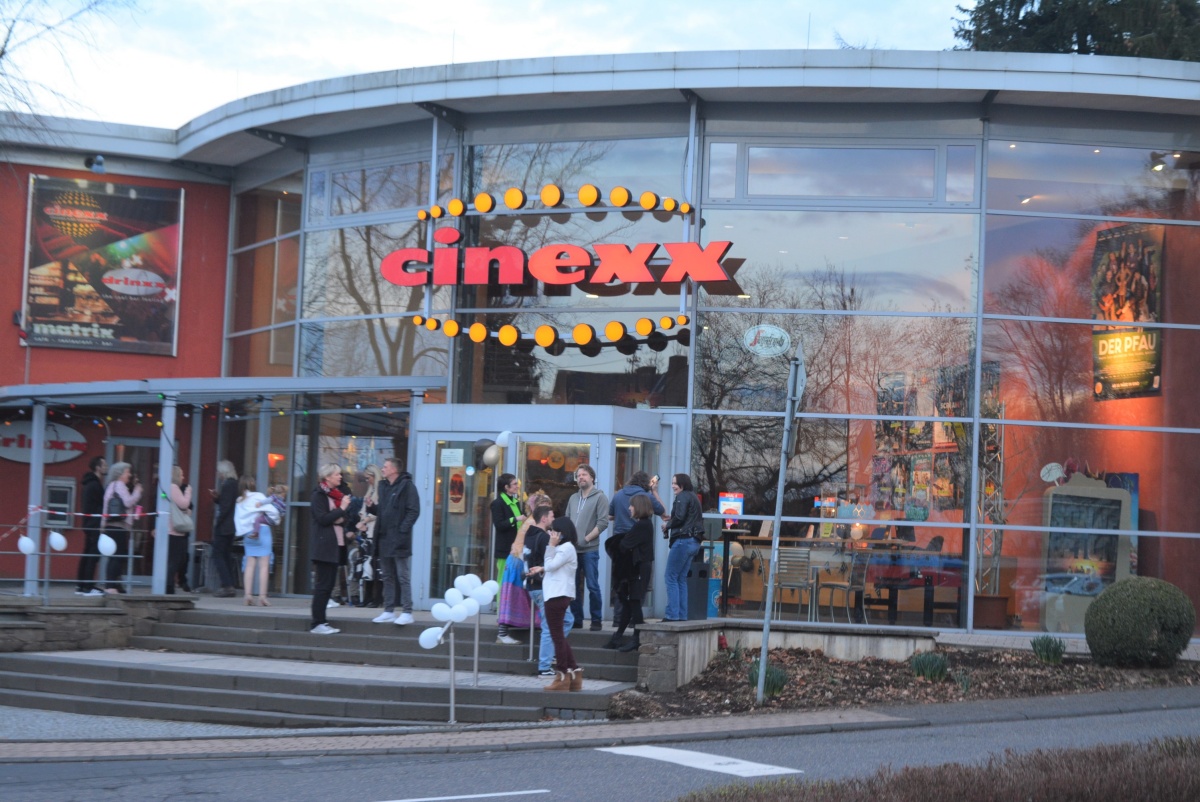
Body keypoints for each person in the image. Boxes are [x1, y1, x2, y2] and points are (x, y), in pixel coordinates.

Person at [526, 516, 581, 692]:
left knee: (557, 637)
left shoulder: (565, 548)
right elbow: (552, 568)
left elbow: (551, 565)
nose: (551, 534)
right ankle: (575, 673)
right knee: (559, 636)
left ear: (562, 533)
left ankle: (563, 675)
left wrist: (550, 546)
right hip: (557, 594)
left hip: (557, 596)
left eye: (554, 531)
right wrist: (541, 568)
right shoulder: (565, 548)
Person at [607, 471, 664, 627]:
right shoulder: (646, 497)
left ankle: (618, 619)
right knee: (639, 585)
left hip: (621, 545)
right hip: (639, 548)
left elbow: (610, 516)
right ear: (646, 483)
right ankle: (634, 619)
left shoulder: (618, 495)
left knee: (621, 582)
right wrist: (654, 491)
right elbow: (664, 513)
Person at [368, 457, 420, 626]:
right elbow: (383, 511)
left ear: (394, 470)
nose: (382, 469)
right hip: (383, 538)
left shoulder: (407, 486)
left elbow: (413, 511)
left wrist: (402, 530)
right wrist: (371, 507)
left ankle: (407, 611)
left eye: (385, 466)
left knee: (402, 576)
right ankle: (388, 610)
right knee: (387, 576)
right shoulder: (383, 487)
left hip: (398, 539)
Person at [495, 490, 546, 645]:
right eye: (545, 506)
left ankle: (533, 625)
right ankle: (502, 633)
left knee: (520, 596)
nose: (549, 511)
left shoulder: (531, 520)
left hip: (518, 560)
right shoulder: (534, 522)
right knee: (514, 597)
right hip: (519, 561)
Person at [607, 493, 655, 652]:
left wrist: (614, 543)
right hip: (639, 567)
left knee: (634, 602)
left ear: (639, 507)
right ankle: (619, 636)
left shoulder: (643, 525)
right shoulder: (644, 524)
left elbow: (625, 544)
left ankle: (636, 638)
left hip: (639, 569)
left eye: (632, 505)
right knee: (629, 603)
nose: (629, 508)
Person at [566, 464, 608, 631]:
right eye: (578, 475)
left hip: (590, 550)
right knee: (574, 586)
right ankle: (577, 619)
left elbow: (603, 522)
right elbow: (568, 520)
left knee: (592, 585)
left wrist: (586, 538)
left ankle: (596, 619)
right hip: (572, 550)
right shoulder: (573, 498)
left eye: (584, 475)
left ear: (592, 477)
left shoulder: (600, 497)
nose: (580, 478)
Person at [310, 464, 351, 634]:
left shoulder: (337, 495)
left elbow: (344, 518)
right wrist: (341, 509)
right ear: (327, 477)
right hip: (324, 546)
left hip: (337, 544)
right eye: (336, 474)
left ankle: (322, 621)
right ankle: (317, 622)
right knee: (323, 585)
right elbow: (323, 519)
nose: (340, 477)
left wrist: (341, 513)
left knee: (328, 585)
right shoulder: (319, 495)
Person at [662, 473, 704, 622]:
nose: (673, 485)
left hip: (683, 540)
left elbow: (679, 518)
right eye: (672, 482)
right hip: (693, 541)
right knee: (680, 579)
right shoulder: (693, 497)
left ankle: (672, 615)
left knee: (670, 577)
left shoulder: (682, 497)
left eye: (675, 483)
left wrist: (667, 525)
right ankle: (681, 615)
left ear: (683, 484)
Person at [491, 474, 526, 644]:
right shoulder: (497, 503)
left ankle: (510, 616)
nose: (517, 486)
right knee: (502, 584)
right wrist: (516, 519)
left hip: (517, 551)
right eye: (514, 484)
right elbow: (499, 524)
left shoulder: (516, 502)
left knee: (513, 585)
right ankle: (501, 617)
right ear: (506, 487)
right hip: (505, 550)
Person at [235, 476, 280, 606]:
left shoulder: (239, 500)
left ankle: (247, 595)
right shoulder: (259, 496)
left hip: (248, 534)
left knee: (249, 564)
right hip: (263, 531)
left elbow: (238, 519)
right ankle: (262, 596)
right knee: (264, 566)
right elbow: (272, 511)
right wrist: (275, 521)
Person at [101, 461, 142, 594]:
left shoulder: (111, 486)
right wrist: (137, 492)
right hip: (119, 526)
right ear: (120, 474)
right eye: (127, 472)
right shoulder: (119, 485)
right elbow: (128, 502)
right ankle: (111, 585)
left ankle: (114, 584)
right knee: (118, 555)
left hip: (111, 525)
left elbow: (105, 507)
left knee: (115, 555)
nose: (129, 475)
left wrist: (102, 525)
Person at [74, 456, 107, 596]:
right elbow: (98, 506)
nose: (107, 467)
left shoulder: (90, 484)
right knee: (92, 556)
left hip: (89, 524)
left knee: (87, 554)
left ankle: (81, 585)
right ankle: (87, 586)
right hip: (94, 524)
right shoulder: (95, 485)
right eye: (104, 465)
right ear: (98, 467)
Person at [210, 460, 239, 597]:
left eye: (219, 471)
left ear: (223, 472)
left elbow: (226, 507)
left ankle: (227, 585)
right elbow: (228, 503)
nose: (217, 474)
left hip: (224, 526)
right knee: (226, 555)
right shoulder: (234, 484)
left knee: (217, 555)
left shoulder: (228, 485)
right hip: (231, 527)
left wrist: (218, 521)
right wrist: (218, 498)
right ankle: (230, 584)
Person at [354, 466, 382, 607]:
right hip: (366, 533)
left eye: (368, 477)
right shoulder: (370, 491)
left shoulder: (380, 491)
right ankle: (367, 597)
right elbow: (364, 510)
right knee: (366, 566)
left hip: (374, 533)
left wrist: (365, 520)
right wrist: (361, 519)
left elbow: (379, 511)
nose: (367, 480)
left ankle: (377, 598)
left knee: (375, 566)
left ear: (374, 476)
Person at [166, 465, 194, 595]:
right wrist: (188, 492)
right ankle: (169, 586)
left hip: (171, 529)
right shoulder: (174, 487)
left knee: (176, 559)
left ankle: (169, 585)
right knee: (175, 561)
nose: (183, 477)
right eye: (181, 474)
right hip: (174, 531)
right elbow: (184, 504)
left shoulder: (168, 488)